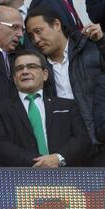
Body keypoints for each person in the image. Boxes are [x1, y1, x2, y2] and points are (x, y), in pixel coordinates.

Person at [25, 7, 105, 166]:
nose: (36, 40)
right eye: (31, 36)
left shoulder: (91, 47)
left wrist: (103, 42)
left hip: (100, 143)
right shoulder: (37, 67)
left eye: (39, 31)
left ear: (56, 24)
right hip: (66, 150)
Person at [0, 49, 90, 167]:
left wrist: (58, 158)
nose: (25, 71)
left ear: (45, 74)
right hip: (21, 178)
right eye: (19, 68)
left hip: (66, 176)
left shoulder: (68, 106)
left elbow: (82, 139)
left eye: (31, 66)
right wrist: (41, 163)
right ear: (15, 78)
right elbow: (0, 146)